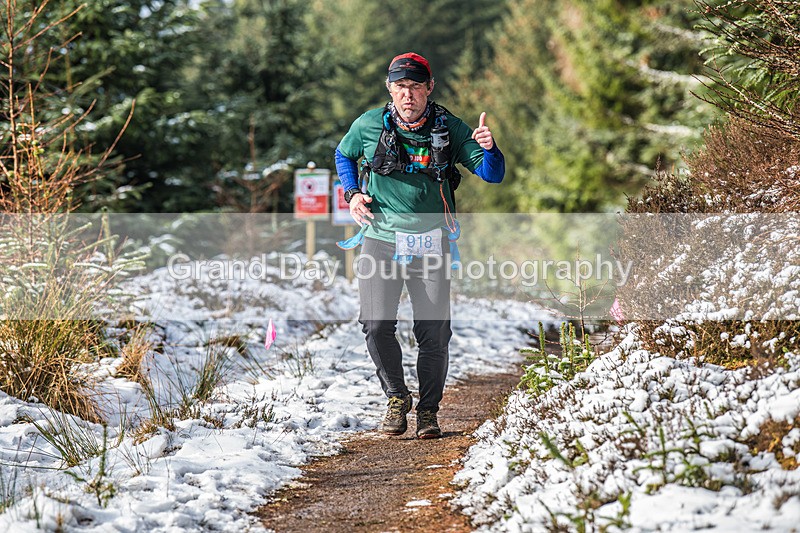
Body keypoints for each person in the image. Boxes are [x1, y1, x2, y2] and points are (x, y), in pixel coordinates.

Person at [334, 52, 504, 439]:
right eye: (399, 87)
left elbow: (492, 175)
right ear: (389, 89)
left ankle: (428, 411)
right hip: (380, 239)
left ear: (430, 88)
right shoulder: (368, 124)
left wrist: (490, 149)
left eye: (414, 87)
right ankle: (397, 398)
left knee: (434, 332)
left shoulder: (451, 128)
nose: (407, 95)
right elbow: (343, 154)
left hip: (431, 243)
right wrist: (353, 193)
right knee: (375, 325)